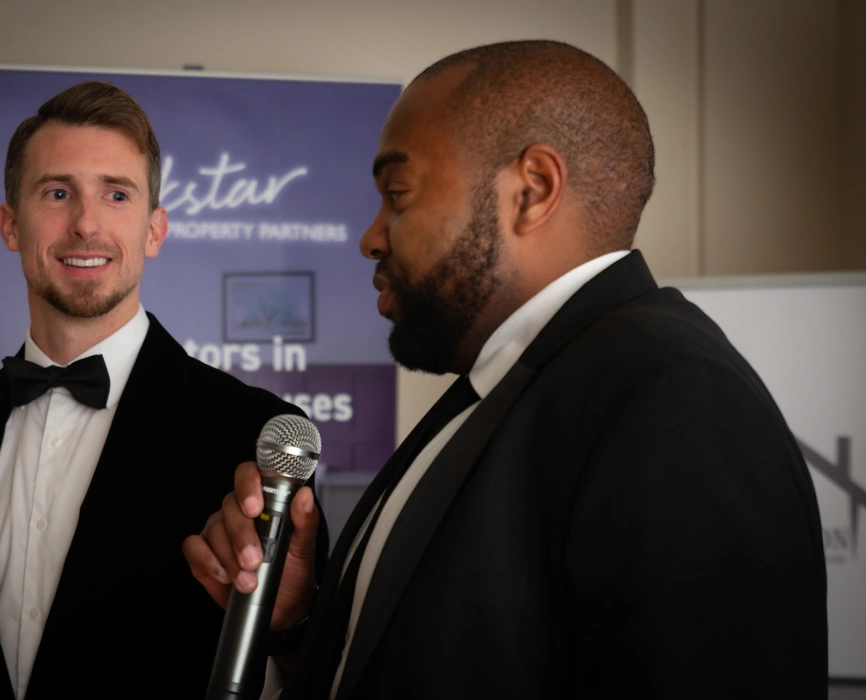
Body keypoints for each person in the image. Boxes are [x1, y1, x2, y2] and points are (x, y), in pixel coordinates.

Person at [184, 40, 828, 699]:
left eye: (398, 194)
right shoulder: (501, 391)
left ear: (532, 190)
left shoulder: (676, 400)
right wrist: (298, 625)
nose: (371, 238)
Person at [0, 81, 324, 700]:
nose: (86, 223)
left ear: (154, 230)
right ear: (10, 225)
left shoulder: (254, 435)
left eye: (116, 194)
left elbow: (317, 675)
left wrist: (289, 624)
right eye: (57, 193)